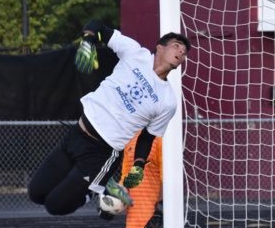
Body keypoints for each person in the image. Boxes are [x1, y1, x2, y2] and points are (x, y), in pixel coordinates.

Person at [27, 20, 191, 215]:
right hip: (77, 135)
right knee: (36, 193)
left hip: (101, 154)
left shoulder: (167, 101)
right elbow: (96, 26)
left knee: (55, 206)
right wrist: (87, 42)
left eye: (184, 52)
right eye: (176, 46)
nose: (181, 52)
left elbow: (147, 137)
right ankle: (104, 185)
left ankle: (95, 191)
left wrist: (138, 165)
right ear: (159, 48)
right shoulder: (136, 54)